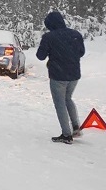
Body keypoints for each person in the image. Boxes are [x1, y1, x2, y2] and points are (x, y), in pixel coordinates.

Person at [36, 11, 86, 144]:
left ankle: (66, 135)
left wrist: (53, 54)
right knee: (68, 98)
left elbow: (40, 56)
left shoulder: (49, 37)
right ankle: (76, 127)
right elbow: (81, 52)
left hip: (58, 75)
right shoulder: (76, 34)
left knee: (60, 103)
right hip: (74, 75)